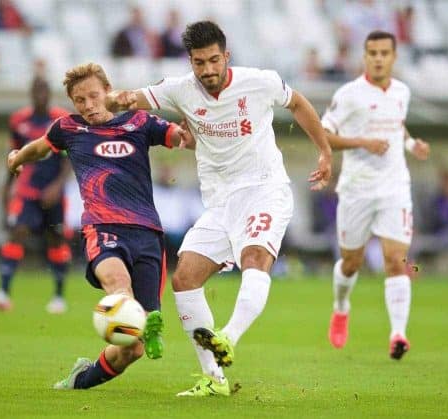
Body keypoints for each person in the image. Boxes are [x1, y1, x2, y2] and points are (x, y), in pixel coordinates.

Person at [107, 20, 332, 396]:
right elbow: (132, 98)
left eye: (214, 60)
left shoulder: (259, 82)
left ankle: (227, 336)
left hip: (264, 190)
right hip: (220, 203)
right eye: (199, 63)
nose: (208, 70)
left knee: (256, 258)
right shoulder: (180, 89)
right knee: (184, 279)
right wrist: (106, 99)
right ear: (190, 61)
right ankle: (214, 379)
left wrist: (325, 151)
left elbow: (298, 103)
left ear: (226, 56)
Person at [5, 63, 193, 390]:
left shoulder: (139, 122)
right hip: (102, 227)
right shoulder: (68, 129)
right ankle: (131, 311)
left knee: (132, 348)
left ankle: (81, 380)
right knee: (119, 284)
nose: (88, 105)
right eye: (79, 100)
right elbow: (40, 147)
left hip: (147, 232)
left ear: (108, 90)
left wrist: (188, 131)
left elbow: (179, 138)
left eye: (93, 96)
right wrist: (18, 158)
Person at [321, 30, 430, 360]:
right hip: (357, 190)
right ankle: (341, 308)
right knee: (351, 263)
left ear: (394, 57)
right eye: (372, 53)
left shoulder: (402, 92)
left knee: (396, 261)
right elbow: (325, 135)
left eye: (384, 52)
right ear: (364, 57)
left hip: (395, 188)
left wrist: (412, 144)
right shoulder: (349, 94)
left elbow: (397, 124)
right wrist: (362, 143)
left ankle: (398, 334)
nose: (379, 58)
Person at [0, 77, 72, 314]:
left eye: (44, 90)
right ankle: (3, 292)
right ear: (31, 93)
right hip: (27, 191)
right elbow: (15, 154)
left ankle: (59, 295)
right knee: (18, 232)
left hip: (53, 192)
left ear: (49, 93)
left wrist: (57, 186)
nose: (40, 94)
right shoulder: (18, 120)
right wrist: (7, 184)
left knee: (56, 238)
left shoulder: (61, 119)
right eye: (36, 90)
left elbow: (68, 160)